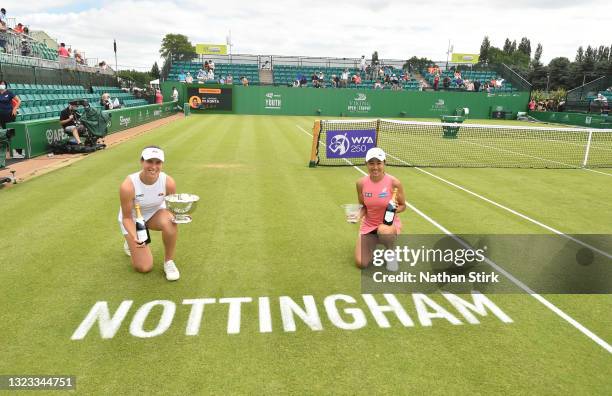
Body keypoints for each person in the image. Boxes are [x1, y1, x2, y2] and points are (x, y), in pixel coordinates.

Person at [118, 146, 180, 281]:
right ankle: (129, 242)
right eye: (149, 161)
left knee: (170, 221)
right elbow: (126, 217)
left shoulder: (168, 182)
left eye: (158, 162)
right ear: (142, 162)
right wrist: (135, 237)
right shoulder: (128, 185)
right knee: (144, 267)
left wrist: (180, 214)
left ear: (162, 164)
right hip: (133, 221)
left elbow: (172, 209)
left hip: (154, 214)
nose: (153, 166)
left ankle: (169, 262)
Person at [353, 147, 406, 269]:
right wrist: (358, 215)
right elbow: (363, 207)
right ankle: (372, 244)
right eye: (371, 163)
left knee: (384, 231)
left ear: (384, 163)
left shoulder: (394, 183)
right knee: (361, 263)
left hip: (387, 225)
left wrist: (394, 209)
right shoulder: (360, 183)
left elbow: (403, 206)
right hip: (368, 226)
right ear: (366, 164)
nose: (375, 167)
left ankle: (391, 252)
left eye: (379, 163)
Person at [0, 80, 22, 158]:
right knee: (4, 133)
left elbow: (19, 101)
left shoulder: (9, 93)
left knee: (12, 132)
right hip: (1, 117)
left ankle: (18, 151)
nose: (1, 85)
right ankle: (7, 151)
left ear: (5, 85)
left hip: (10, 115)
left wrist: (15, 109)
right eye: (0, 84)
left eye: (3, 84)